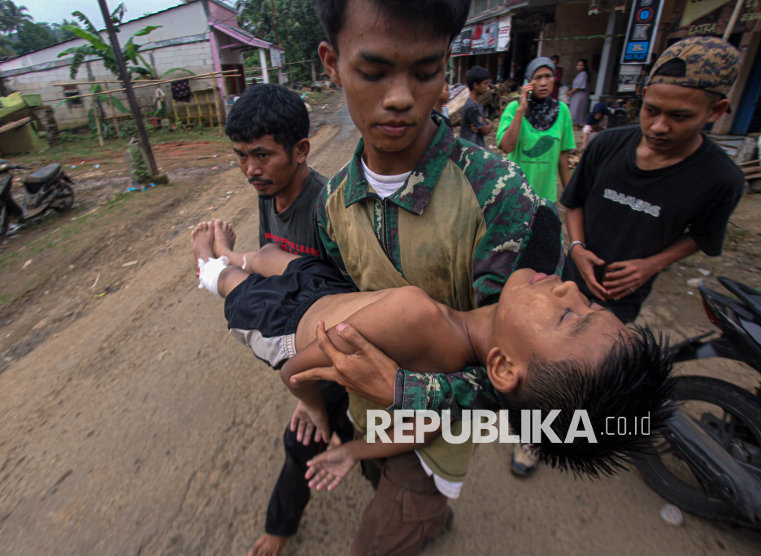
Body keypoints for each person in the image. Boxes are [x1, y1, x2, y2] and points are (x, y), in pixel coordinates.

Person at [292, 1, 564, 553]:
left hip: (438, 438)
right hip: (368, 417)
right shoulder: (332, 205)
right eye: (373, 72)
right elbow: (339, 308)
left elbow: (524, 379)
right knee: (385, 485)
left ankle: (426, 514)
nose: (399, 97)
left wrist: (401, 389)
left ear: (447, 66)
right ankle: (430, 519)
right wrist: (318, 388)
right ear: (331, 63)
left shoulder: (502, 198)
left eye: (425, 72)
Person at [192, 219, 675, 477]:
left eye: (570, 318)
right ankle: (234, 254)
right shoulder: (455, 379)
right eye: (591, 305)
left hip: (286, 328)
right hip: (330, 297)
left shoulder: (415, 314)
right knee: (283, 260)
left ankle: (209, 267)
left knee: (239, 288)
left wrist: (314, 410)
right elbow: (421, 431)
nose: (571, 290)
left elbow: (294, 371)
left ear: (504, 367)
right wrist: (355, 452)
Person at [223, 83, 349, 556]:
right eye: (240, 156)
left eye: (262, 155)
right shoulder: (267, 191)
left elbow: (349, 300)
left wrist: (313, 388)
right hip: (306, 347)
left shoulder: (329, 209)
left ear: (301, 150)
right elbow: (272, 268)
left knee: (305, 439)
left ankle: (279, 531)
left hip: (339, 343)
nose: (251, 170)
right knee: (345, 431)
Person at [560, 35, 744, 326]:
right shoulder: (606, 144)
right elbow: (574, 202)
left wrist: (652, 265)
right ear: (644, 95)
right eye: (651, 110)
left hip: (623, 295)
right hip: (570, 277)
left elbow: (702, 235)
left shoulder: (722, 178)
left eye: (680, 116)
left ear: (716, 111)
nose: (659, 127)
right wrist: (577, 248)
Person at [496, 57, 575, 203]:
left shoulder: (562, 111)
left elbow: (563, 156)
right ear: (528, 82)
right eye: (537, 78)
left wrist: (569, 194)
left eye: (548, 76)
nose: (543, 83)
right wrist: (521, 109)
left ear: (554, 79)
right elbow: (506, 147)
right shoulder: (514, 109)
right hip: (516, 195)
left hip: (545, 198)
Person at [459, 66, 493, 148]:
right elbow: (485, 130)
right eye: (485, 83)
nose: (487, 87)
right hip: (471, 151)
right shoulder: (472, 107)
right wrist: (491, 124)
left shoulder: (477, 104)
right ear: (476, 85)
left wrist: (484, 123)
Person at [568, 59, 590, 126]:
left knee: (577, 109)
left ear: (584, 66)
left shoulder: (584, 75)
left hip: (580, 95)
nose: (579, 66)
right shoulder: (579, 75)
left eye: (581, 65)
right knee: (574, 109)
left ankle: (576, 124)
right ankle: (574, 123)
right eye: (578, 65)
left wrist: (571, 91)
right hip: (576, 95)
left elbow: (579, 86)